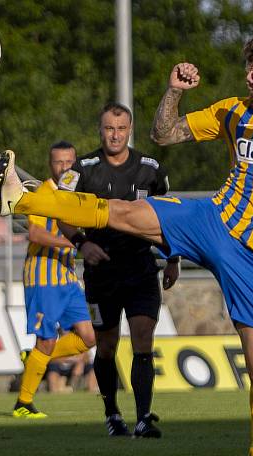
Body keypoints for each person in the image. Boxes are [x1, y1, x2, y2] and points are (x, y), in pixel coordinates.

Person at [0, 33, 253, 456]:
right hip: (215, 219)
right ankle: (24, 195)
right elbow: (164, 134)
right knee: (124, 211)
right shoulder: (232, 110)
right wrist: (174, 90)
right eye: (248, 74)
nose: (251, 83)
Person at [59, 103, 179, 438]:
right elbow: (62, 214)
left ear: (130, 130)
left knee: (143, 339)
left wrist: (173, 258)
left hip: (141, 269)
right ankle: (112, 413)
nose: (115, 135)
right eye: (109, 128)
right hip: (102, 272)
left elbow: (169, 216)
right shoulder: (82, 169)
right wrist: (83, 244)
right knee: (107, 345)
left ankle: (143, 418)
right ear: (101, 130)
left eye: (121, 128)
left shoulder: (150, 169)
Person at [12, 141, 96, 419]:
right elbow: (35, 234)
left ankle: (36, 358)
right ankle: (23, 403)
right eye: (59, 162)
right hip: (42, 278)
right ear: (50, 164)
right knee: (46, 340)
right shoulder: (41, 193)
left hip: (67, 279)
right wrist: (73, 243)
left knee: (89, 336)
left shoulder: (76, 195)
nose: (64, 167)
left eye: (69, 162)